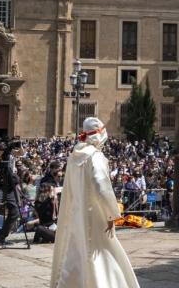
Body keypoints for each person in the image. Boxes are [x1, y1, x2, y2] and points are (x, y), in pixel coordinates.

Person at [50, 117, 140, 288]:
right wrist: (111, 214)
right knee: (102, 252)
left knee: (77, 252)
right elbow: (101, 186)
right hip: (94, 213)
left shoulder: (74, 156)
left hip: (76, 213)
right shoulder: (95, 156)